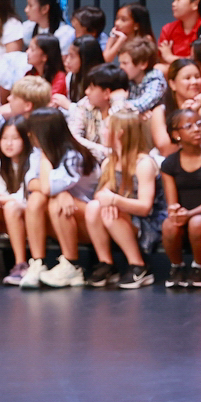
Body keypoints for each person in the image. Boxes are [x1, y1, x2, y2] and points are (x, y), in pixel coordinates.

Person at [82, 110, 158, 289]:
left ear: (120, 132)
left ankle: (139, 265)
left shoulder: (143, 164)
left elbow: (146, 207)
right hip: (122, 215)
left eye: (107, 128)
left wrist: (115, 201)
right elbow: (101, 195)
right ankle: (106, 263)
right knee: (94, 207)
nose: (103, 132)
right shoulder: (109, 162)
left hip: (146, 223)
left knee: (110, 213)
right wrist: (108, 200)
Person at [29, 108, 98, 288]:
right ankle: (38, 262)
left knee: (55, 204)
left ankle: (72, 265)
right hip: (66, 218)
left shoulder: (73, 154)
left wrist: (56, 191)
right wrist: (60, 192)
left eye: (33, 130)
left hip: (91, 220)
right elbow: (30, 182)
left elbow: (46, 186)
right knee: (36, 199)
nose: (29, 134)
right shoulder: (37, 152)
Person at [0, 117, 45, 286]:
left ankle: (21, 264)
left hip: (32, 211)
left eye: (15, 138)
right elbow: (1, 190)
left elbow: (25, 195)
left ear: (26, 139)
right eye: (5, 138)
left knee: (10, 206)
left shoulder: (35, 160)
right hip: (10, 210)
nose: (8, 144)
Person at [158, 107, 201, 288]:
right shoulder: (169, 163)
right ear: (176, 134)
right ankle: (177, 267)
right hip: (185, 215)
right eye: (189, 126)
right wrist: (175, 211)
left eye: (199, 123)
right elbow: (172, 201)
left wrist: (190, 214)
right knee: (169, 225)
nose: (197, 129)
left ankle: (199, 267)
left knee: (197, 223)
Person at [158, 0, 201, 67]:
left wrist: (170, 57)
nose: (173, 4)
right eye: (174, 0)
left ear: (195, 4)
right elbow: (162, 60)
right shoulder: (168, 29)